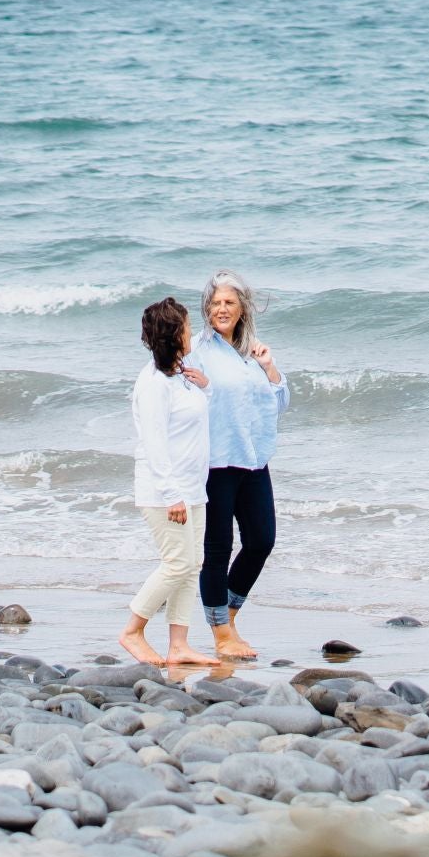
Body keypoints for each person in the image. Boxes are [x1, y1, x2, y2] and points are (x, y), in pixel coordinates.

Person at [190, 268, 287, 660]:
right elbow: (181, 401)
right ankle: (221, 634)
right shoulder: (196, 350)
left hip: (253, 459)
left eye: (229, 302)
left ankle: (227, 617)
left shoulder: (254, 352)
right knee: (217, 549)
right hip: (215, 462)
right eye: (215, 303)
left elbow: (279, 403)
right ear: (206, 309)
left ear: (243, 308)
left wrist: (270, 368)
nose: (222, 309)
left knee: (262, 541)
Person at [122, 296, 212, 667]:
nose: (192, 331)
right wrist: (172, 494)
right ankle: (132, 631)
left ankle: (179, 645)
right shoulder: (154, 382)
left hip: (192, 488)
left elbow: (194, 422)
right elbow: (155, 443)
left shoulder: (180, 375)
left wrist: (206, 387)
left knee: (193, 564)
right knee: (176, 563)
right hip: (165, 493)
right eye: (188, 326)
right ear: (175, 333)